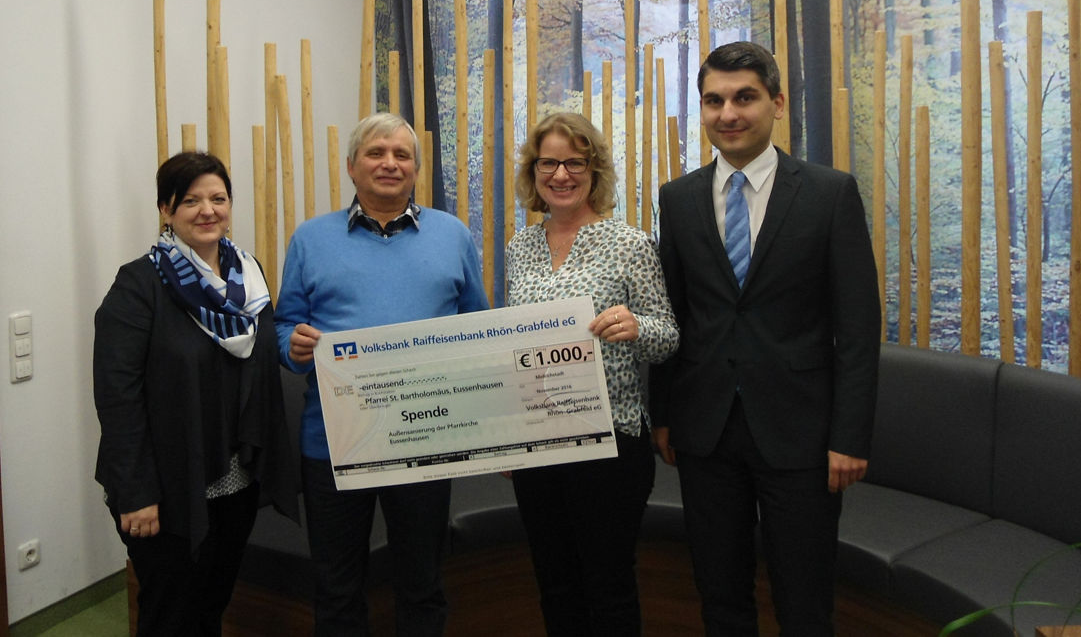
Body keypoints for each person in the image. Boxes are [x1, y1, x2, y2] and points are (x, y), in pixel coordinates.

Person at [651, 42, 880, 636]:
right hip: (705, 432)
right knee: (720, 593)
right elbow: (673, 313)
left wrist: (849, 436)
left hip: (801, 435)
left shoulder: (830, 194)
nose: (728, 112)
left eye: (744, 97)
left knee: (804, 600)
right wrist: (664, 414)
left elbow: (857, 329)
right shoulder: (676, 200)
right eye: (713, 100)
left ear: (777, 103)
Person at [275, 112, 489, 636]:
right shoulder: (310, 238)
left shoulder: (453, 234)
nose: (389, 163)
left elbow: (479, 328)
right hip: (333, 442)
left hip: (425, 435)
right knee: (337, 586)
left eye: (402, 155)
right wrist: (294, 346)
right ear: (351, 166)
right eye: (376, 152)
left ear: (416, 168)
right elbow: (284, 329)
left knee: (421, 581)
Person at [93, 151, 297, 636]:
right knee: (170, 613)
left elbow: (260, 363)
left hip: (235, 482)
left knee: (211, 604)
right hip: (166, 489)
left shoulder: (249, 278)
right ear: (166, 210)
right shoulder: (139, 285)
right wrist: (136, 493)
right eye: (191, 201)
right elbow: (117, 398)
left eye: (218, 198)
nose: (208, 210)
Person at [504, 112, 679, 636]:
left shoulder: (631, 244)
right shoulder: (519, 248)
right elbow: (515, 347)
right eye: (548, 162)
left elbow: (668, 335)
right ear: (533, 172)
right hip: (538, 444)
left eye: (574, 162)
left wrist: (635, 325)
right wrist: (510, 439)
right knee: (554, 584)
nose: (561, 174)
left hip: (611, 443)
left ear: (594, 170)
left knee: (608, 587)